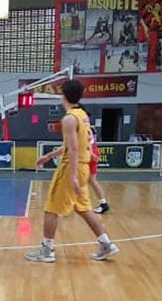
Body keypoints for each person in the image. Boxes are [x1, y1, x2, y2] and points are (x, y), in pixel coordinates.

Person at [26, 79, 119, 263]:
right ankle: (107, 244)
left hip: (72, 168)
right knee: (84, 208)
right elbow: (73, 145)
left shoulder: (69, 119)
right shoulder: (82, 115)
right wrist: (49, 156)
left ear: (64, 95)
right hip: (83, 167)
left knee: (51, 208)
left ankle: (47, 250)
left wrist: (73, 175)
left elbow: (74, 148)